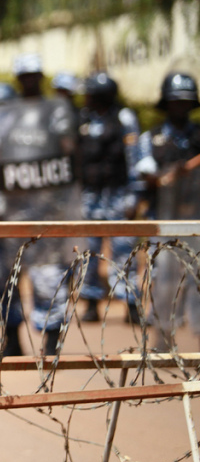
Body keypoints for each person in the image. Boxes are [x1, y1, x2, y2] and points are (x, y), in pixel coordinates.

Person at [0, 53, 79, 356]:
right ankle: (11, 340)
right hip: (9, 211)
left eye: (33, 75)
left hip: (48, 209)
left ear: (41, 76)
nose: (29, 80)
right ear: (18, 78)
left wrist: (67, 202)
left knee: (48, 276)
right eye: (23, 76)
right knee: (5, 277)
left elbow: (69, 153)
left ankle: (51, 342)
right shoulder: (1, 114)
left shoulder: (58, 110)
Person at [135, 72, 200, 349]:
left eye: (184, 102)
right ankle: (162, 340)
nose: (179, 107)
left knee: (197, 284)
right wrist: (164, 175)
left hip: (197, 222)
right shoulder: (152, 138)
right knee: (163, 283)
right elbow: (142, 173)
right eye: (174, 102)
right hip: (163, 223)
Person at [77, 72, 143, 324]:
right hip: (90, 195)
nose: (87, 97)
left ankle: (131, 306)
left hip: (118, 193)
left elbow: (133, 156)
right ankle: (92, 304)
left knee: (124, 251)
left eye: (91, 93)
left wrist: (134, 195)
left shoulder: (124, 118)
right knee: (89, 253)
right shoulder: (83, 119)